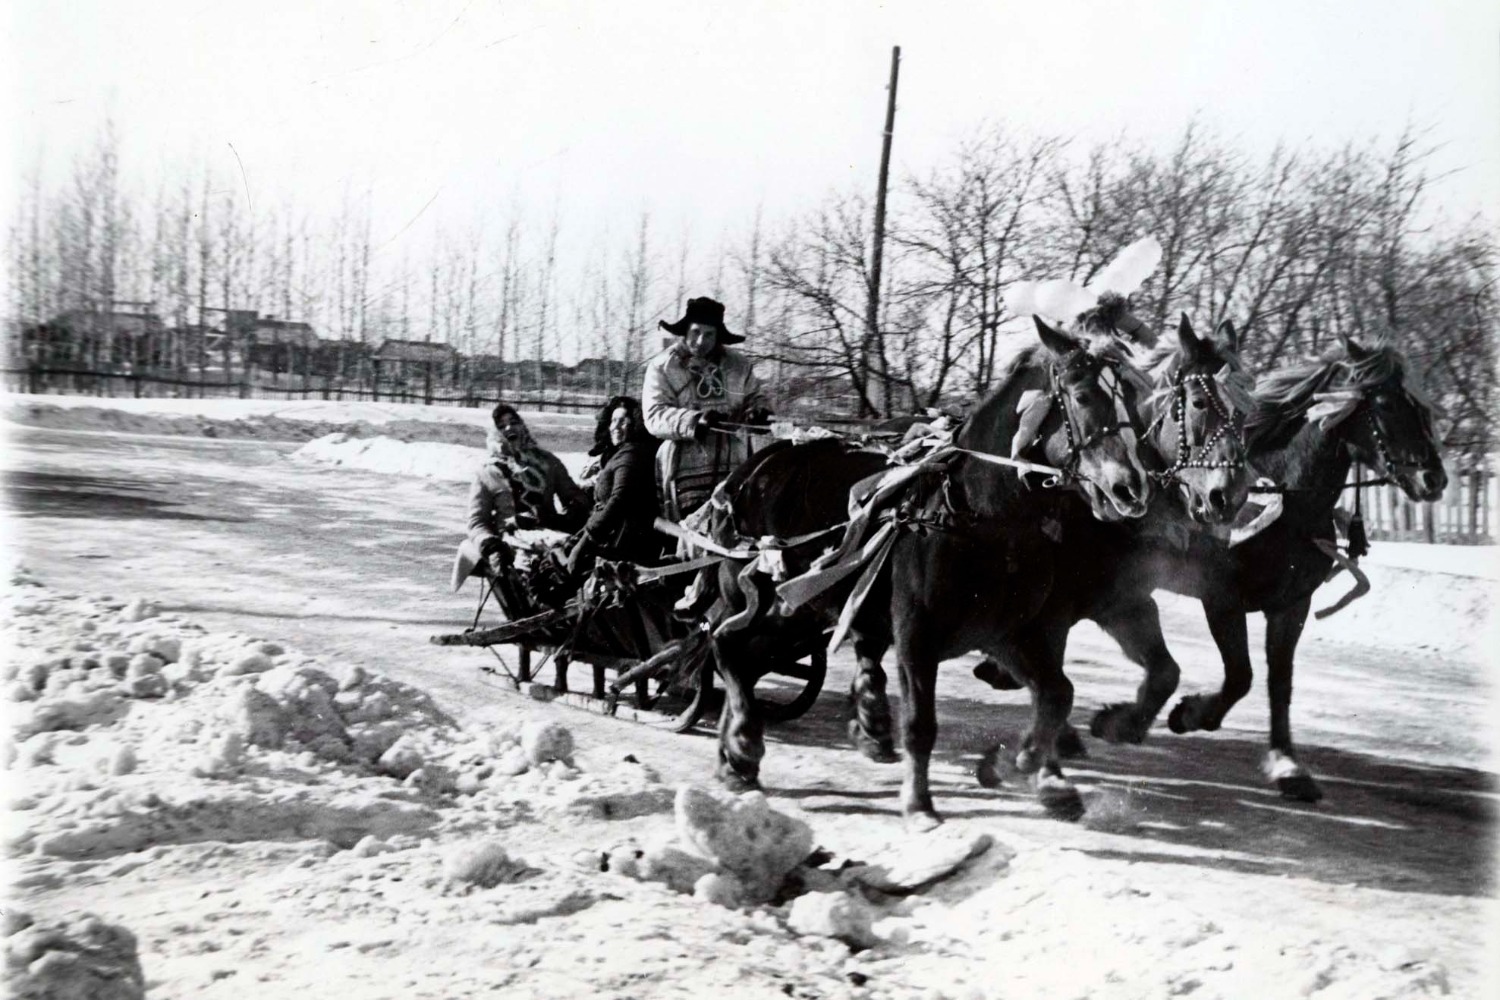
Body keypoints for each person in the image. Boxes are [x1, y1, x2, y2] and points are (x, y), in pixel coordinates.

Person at [642, 296, 772, 520]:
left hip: (734, 466)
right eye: (696, 332)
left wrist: (758, 412)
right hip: (686, 471)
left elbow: (756, 397)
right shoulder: (663, 366)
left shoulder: (738, 365)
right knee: (693, 529)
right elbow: (654, 415)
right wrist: (695, 420)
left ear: (718, 335)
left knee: (735, 527)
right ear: (686, 331)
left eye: (709, 334)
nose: (701, 340)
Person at [467, 402, 591, 578]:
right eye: (501, 426)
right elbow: (477, 522)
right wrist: (491, 547)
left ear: (522, 425)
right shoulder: (487, 472)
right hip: (512, 545)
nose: (509, 428)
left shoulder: (547, 461)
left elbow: (573, 496)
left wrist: (573, 512)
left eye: (514, 422)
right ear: (494, 433)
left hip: (552, 535)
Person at [564, 396, 663, 575]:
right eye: (613, 421)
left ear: (636, 424)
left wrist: (583, 544)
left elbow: (620, 499)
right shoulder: (624, 453)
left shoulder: (630, 455)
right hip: (612, 536)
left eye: (623, 421)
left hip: (621, 544)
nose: (615, 427)